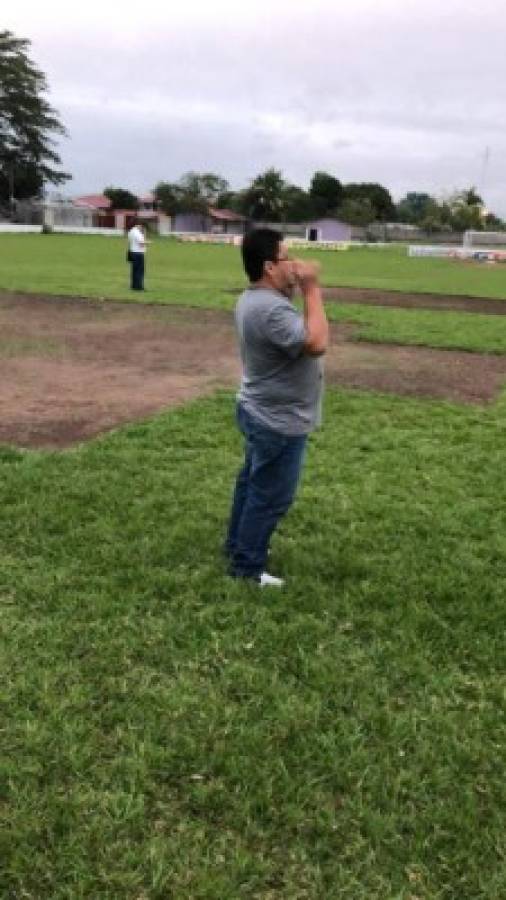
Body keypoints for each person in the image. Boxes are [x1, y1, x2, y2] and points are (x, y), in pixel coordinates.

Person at [225, 227, 329, 587]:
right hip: (278, 420)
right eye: (288, 257)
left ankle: (239, 545)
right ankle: (247, 568)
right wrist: (312, 288)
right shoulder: (269, 309)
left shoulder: (253, 299)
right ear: (270, 267)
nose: (295, 265)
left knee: (252, 483)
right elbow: (316, 342)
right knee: (270, 495)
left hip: (260, 410)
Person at [127, 219, 147, 290]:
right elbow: (141, 243)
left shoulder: (131, 231)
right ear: (139, 225)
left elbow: (130, 241)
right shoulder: (137, 233)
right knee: (140, 271)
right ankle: (139, 287)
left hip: (132, 252)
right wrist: (148, 242)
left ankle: (133, 286)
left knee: (134, 271)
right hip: (138, 253)